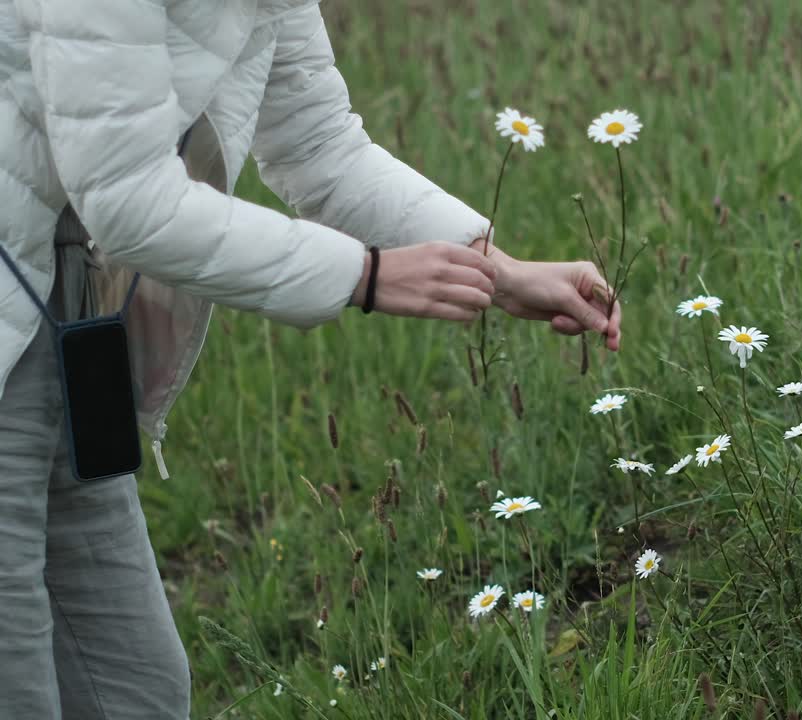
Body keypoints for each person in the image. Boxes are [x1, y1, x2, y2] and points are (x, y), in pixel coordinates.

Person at [0, 2, 622, 717]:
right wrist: (364, 274)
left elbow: (319, 142)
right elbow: (131, 201)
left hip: (64, 312)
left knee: (136, 689)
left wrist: (500, 270)